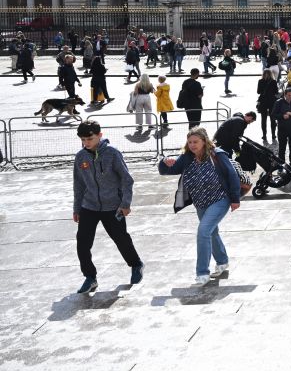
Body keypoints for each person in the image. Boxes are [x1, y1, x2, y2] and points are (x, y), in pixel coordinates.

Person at [160, 127, 241, 286]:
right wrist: (164, 161)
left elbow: (231, 175)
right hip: (200, 202)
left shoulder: (217, 155)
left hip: (220, 199)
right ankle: (222, 261)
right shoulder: (186, 158)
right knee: (211, 232)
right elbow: (169, 170)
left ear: (204, 141)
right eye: (189, 142)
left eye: (195, 142)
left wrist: (235, 199)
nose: (192, 145)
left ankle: (202, 273)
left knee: (203, 231)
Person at [72, 120, 144, 293]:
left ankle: (136, 264)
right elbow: (79, 184)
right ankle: (90, 277)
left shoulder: (112, 153)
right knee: (82, 242)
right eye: (83, 139)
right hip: (89, 206)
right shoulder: (80, 157)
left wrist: (125, 203)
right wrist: (77, 208)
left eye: (89, 138)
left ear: (100, 136)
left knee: (121, 238)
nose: (86, 143)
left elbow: (127, 179)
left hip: (113, 206)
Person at [256, 69, 279, 143]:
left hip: (263, 101)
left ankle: (264, 135)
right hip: (272, 102)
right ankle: (273, 135)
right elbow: (276, 91)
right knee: (272, 119)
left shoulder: (260, 81)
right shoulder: (273, 81)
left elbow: (258, 91)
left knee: (263, 119)